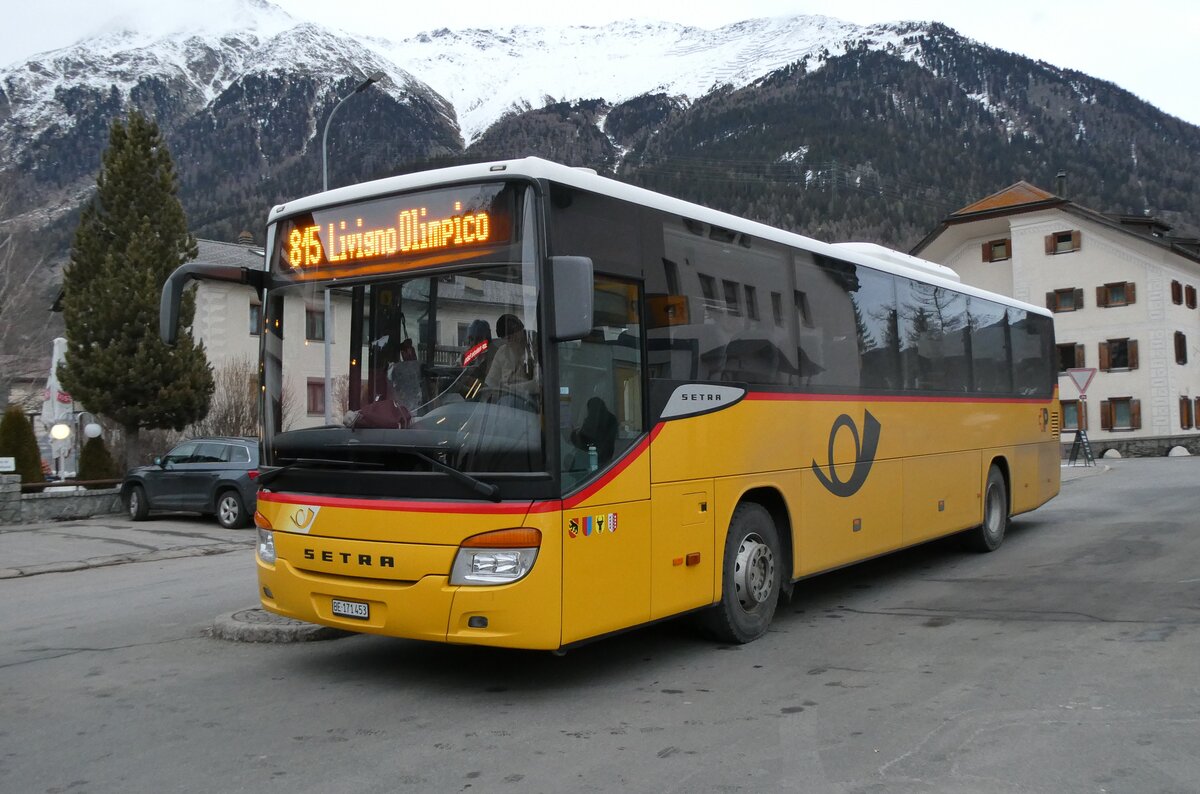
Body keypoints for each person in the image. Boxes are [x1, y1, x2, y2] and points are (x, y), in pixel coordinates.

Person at [484, 313, 538, 394]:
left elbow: (538, 384)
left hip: (529, 401)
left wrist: (509, 389)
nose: (511, 340)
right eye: (507, 338)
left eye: (514, 334)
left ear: (521, 330)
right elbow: (491, 382)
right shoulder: (502, 352)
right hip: (504, 401)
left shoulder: (535, 348)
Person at [570, 396, 618, 465]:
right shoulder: (612, 419)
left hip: (594, 456)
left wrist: (574, 433)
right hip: (606, 456)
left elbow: (583, 440)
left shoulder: (593, 420)